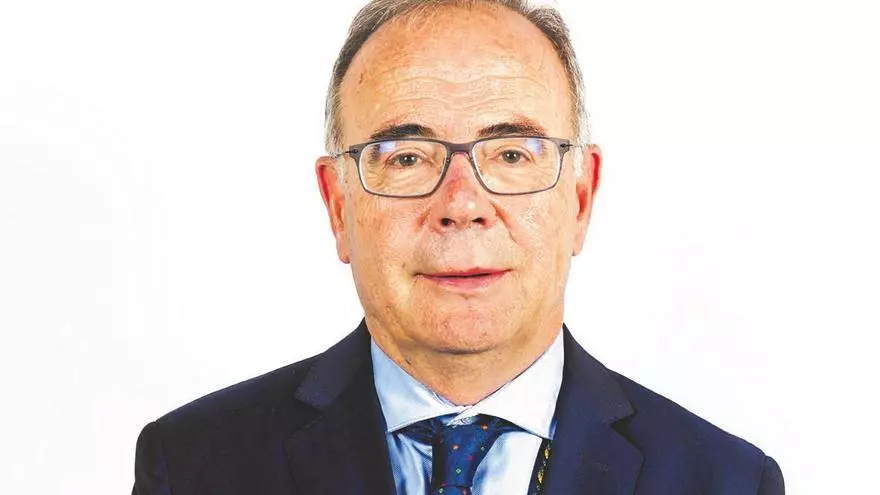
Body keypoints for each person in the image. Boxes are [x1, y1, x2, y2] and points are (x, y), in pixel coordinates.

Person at [132, 1, 784, 493]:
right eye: (406, 156)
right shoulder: (192, 465)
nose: (462, 205)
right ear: (338, 206)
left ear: (581, 198)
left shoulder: (725, 481)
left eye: (511, 153)